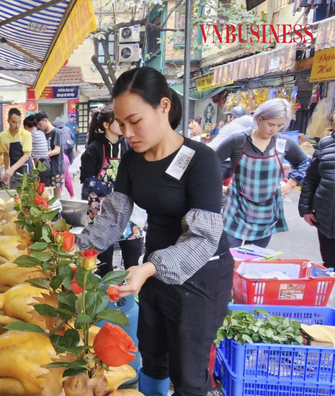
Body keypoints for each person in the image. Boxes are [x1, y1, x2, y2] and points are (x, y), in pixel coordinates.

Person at [76, 66, 233, 396]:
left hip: (201, 273)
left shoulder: (201, 160)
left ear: (163, 106)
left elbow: (202, 237)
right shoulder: (133, 160)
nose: (127, 132)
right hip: (154, 268)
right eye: (121, 124)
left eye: (135, 121)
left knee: (189, 374)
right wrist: (76, 247)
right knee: (153, 354)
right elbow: (113, 217)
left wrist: (149, 267)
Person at [216, 98, 310, 248]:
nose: (274, 130)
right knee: (228, 257)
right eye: (271, 124)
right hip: (236, 209)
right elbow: (211, 162)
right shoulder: (239, 140)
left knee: (253, 259)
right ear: (259, 119)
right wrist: (217, 185)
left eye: (280, 126)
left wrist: (291, 184)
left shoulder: (283, 143)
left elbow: (305, 163)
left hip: (265, 213)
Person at [80, 106, 143, 275]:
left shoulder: (129, 147)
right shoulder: (94, 149)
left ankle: (131, 297)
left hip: (129, 212)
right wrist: (111, 189)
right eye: (119, 121)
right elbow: (88, 181)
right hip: (103, 211)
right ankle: (105, 296)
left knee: (133, 258)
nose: (124, 125)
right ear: (107, 125)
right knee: (103, 263)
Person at [298, 124, 335, 268]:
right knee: (329, 264)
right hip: (327, 218)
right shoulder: (325, 144)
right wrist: (305, 209)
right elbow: (311, 179)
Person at [0, 108, 33, 187]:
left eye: (19, 122)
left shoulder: (26, 134)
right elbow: (6, 154)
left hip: (26, 168)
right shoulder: (2, 136)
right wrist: (7, 170)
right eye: (14, 122)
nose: (17, 125)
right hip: (13, 168)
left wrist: (12, 169)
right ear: (8, 121)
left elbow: (26, 155)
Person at [36, 112, 65, 198]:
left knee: (57, 192)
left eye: (40, 124)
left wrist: (42, 154)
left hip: (56, 167)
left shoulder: (57, 132)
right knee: (46, 191)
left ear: (45, 120)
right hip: (46, 168)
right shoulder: (43, 133)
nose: (39, 126)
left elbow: (57, 150)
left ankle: (59, 210)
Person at [54, 118, 76, 198]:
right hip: (68, 148)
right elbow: (72, 136)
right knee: (70, 164)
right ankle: (74, 174)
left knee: (61, 174)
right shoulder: (67, 128)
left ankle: (60, 192)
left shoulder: (55, 130)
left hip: (60, 152)